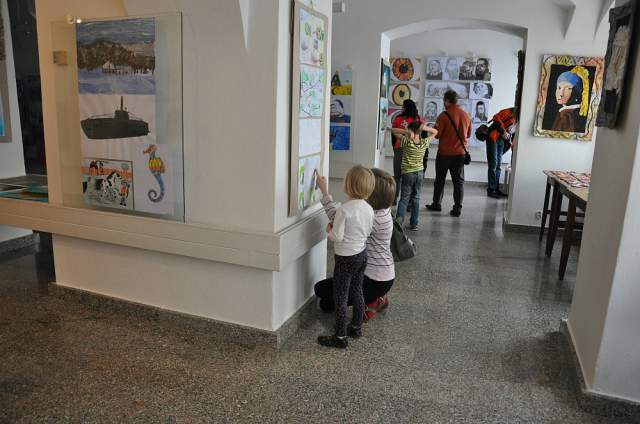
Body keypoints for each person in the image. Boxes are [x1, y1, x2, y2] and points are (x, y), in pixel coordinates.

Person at [314, 168, 396, 321]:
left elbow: (336, 217)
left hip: (374, 280)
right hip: (386, 276)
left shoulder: (372, 216)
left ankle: (374, 299)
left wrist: (324, 191)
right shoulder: (383, 211)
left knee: (322, 293)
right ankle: (376, 296)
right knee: (331, 296)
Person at [317, 166, 375, 349]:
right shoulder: (368, 208)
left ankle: (340, 336)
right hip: (361, 255)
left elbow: (337, 237)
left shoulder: (344, 210)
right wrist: (325, 191)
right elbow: (368, 231)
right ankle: (356, 327)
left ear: (348, 186)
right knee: (357, 290)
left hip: (345, 259)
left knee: (340, 296)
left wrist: (329, 229)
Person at [426, 90, 472, 217]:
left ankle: (437, 204)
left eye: (444, 101)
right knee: (459, 182)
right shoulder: (466, 115)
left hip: (444, 154)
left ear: (447, 101)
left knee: (440, 180)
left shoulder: (443, 116)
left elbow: (437, 135)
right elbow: (468, 134)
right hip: (460, 154)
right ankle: (457, 208)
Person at [392, 121, 438, 230]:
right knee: (416, 198)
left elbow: (393, 130)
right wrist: (423, 128)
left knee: (404, 198)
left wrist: (407, 132)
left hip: (408, 173)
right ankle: (414, 224)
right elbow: (435, 132)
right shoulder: (424, 142)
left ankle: (398, 223)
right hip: (419, 173)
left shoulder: (407, 141)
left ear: (410, 130)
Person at [391, 99, 424, 204]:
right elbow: (423, 136)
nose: (402, 108)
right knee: (410, 176)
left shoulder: (398, 119)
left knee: (397, 176)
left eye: (403, 106)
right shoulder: (419, 119)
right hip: (414, 150)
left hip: (400, 149)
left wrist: (395, 148)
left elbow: (393, 135)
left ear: (406, 108)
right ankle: (409, 201)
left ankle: (394, 199)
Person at [486, 107, 517, 198]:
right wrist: (503, 131)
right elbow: (496, 118)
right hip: (493, 137)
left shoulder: (519, 118)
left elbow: (513, 132)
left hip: (501, 140)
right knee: (493, 164)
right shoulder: (508, 111)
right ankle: (491, 189)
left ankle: (495, 188)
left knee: (498, 165)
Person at [552, 66, 589, 133]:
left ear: (576, 92)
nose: (561, 94)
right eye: (559, 88)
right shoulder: (563, 112)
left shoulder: (567, 116)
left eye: (568, 88)